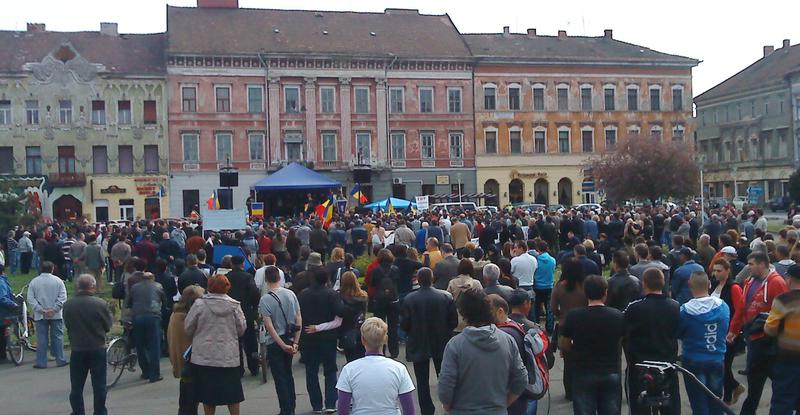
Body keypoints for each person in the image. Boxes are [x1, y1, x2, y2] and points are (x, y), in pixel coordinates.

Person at [437, 287, 528, 415]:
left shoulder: (455, 345)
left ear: (463, 314)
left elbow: (445, 387)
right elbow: (521, 379)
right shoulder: (507, 340)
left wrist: (448, 407)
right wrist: (504, 402)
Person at [730, 252, 789, 415]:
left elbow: (785, 312)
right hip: (753, 340)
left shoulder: (776, 282)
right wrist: (733, 330)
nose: (748, 267)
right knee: (754, 386)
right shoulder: (749, 281)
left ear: (762, 264)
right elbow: (742, 308)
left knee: (780, 386)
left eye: (751, 264)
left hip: (770, 343)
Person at [559, 275, 626, 415]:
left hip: (583, 370)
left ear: (585, 292)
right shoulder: (617, 316)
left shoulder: (574, 315)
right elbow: (620, 341)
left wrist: (573, 351)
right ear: (605, 293)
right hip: (610, 369)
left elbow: (564, 343)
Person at [185, 275, 247, 415]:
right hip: (228, 355)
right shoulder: (234, 306)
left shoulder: (199, 305)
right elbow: (241, 329)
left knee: (208, 395)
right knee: (232, 393)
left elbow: (188, 328)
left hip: (204, 356)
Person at [623, 268, 681, 415]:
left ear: (644, 284)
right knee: (671, 405)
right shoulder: (675, 306)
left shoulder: (635, 308)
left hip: (640, 366)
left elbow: (624, 330)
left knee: (639, 406)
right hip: (667, 364)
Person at [400, 267, 458, 415]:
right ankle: (449, 405)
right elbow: (453, 321)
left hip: (418, 340)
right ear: (432, 279)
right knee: (444, 376)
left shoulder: (409, 299)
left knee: (422, 380)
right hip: (441, 340)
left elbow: (405, 324)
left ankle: (426, 410)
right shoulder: (445, 297)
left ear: (418, 280)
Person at [336, 317, 416, 415]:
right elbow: (409, 410)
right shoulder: (399, 369)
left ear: (362, 340)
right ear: (385, 339)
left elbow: (343, 410)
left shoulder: (349, 370)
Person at [678, 271, 729, 415]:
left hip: (693, 360)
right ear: (709, 284)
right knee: (716, 401)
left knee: (698, 404)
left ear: (689, 285)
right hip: (716, 358)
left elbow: (679, 332)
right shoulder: (723, 306)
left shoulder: (685, 311)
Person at [63, 274, 113, 415]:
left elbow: (67, 323)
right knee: (99, 384)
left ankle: (78, 411)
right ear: (93, 286)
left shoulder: (68, 304)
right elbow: (108, 325)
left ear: (78, 286)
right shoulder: (100, 304)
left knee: (77, 385)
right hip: (97, 347)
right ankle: (100, 411)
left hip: (78, 348)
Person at [299, 267, 346, 413]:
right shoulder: (331, 294)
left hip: (308, 337)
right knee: (330, 370)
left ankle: (317, 405)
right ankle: (331, 403)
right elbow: (340, 312)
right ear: (326, 279)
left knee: (311, 371)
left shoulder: (303, 294)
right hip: (328, 337)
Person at [259, 266, 302, 415]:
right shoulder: (291, 294)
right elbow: (298, 319)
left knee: (279, 377)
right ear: (279, 278)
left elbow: (269, 326)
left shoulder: (265, 299)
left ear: (266, 280)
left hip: (275, 342)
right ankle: (292, 405)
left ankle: (286, 409)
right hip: (290, 338)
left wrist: (281, 344)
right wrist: (295, 342)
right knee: (288, 373)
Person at [764, 264, 800, 414]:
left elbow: (770, 329)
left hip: (787, 359)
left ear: (790, 279)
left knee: (782, 402)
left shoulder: (783, 300)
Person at [709, 258, 746, 405]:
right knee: (721, 364)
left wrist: (733, 331)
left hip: (729, 332)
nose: (716, 273)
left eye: (719, 271)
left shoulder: (733, 288)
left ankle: (730, 394)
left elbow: (739, 310)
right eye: (715, 270)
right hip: (716, 331)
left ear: (727, 271)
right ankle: (733, 390)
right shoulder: (715, 285)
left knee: (724, 364)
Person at [551, 257, 587, 400]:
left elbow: (553, 307)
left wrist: (560, 316)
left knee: (568, 362)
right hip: (584, 324)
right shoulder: (585, 285)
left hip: (565, 325)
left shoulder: (560, 286)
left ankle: (570, 392)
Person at [168, 285, 205, 415]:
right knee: (190, 402)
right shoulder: (188, 318)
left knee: (185, 400)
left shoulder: (175, 315)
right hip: (191, 363)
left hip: (180, 361)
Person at [127, 271, 166, 383]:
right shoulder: (158, 286)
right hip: (153, 317)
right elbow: (164, 301)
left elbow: (129, 302)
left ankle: (146, 372)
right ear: (152, 278)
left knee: (140, 346)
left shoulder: (134, 287)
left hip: (138, 317)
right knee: (154, 346)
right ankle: (154, 374)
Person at [27, 261, 68, 368]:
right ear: (52, 269)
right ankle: (60, 359)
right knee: (57, 337)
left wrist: (40, 309)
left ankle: (41, 362)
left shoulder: (34, 282)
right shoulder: (58, 281)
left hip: (40, 314)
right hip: (56, 314)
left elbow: (31, 299)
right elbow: (63, 297)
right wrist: (54, 309)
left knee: (41, 338)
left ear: (41, 269)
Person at [225, 255, 261, 376]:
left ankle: (238, 368)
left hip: (230, 313)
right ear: (243, 264)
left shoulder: (226, 277)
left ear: (231, 264)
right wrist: (253, 306)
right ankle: (253, 366)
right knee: (250, 341)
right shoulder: (247, 277)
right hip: (246, 312)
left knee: (235, 342)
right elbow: (255, 293)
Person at [371, 249, 401, 357]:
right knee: (393, 326)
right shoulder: (395, 269)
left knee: (379, 327)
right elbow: (399, 282)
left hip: (380, 300)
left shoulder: (376, 270)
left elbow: (373, 284)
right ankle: (394, 351)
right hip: (393, 299)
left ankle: (381, 350)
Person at [338, 271, 369, 362]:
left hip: (347, 330)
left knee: (350, 359)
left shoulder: (340, 297)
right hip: (361, 328)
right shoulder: (363, 296)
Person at [447, 259, 483, 333]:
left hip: (457, 320)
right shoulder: (476, 283)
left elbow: (448, 300)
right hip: (473, 320)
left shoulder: (452, 283)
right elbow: (482, 302)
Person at [533, 241, 556, 331]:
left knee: (536, 309)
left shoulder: (536, 260)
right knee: (549, 308)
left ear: (538, 249)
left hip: (537, 286)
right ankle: (550, 327)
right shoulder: (552, 260)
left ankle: (537, 327)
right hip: (549, 286)